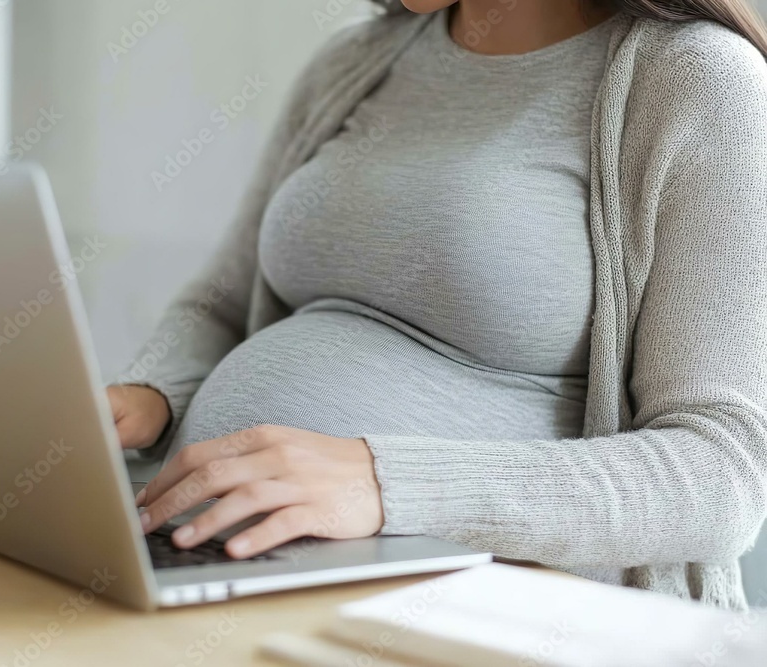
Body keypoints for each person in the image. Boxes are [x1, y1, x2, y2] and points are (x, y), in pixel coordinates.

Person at [107, 0, 767, 608]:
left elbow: (721, 472)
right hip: (228, 568)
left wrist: (390, 483)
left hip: (499, 615)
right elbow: (222, 299)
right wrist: (151, 393)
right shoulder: (357, 60)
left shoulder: (700, 80)